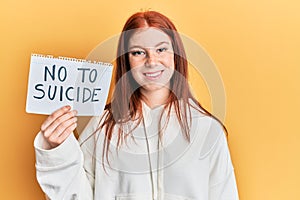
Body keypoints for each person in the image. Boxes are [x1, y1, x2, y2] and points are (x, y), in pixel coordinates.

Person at [34, 11, 239, 200]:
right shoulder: (102, 126)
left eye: (161, 49)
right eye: (138, 52)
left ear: (176, 55)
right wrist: (58, 151)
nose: (152, 61)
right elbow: (77, 195)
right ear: (126, 60)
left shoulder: (207, 129)